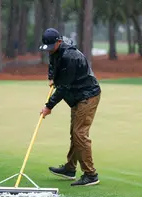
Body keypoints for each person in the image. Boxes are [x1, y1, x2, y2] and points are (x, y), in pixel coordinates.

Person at [38, 28, 101, 186]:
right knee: (75, 132)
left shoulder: (70, 57)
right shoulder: (56, 51)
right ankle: (70, 169)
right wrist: (51, 77)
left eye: (52, 47)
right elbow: (53, 62)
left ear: (59, 41)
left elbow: (64, 87)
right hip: (77, 96)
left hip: (87, 95)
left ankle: (90, 174)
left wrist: (48, 106)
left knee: (80, 133)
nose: (50, 50)